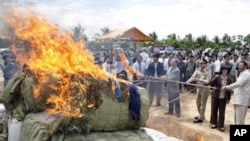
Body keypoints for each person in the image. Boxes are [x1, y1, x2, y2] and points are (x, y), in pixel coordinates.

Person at [207, 65, 233, 132]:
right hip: (215, 96)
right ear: (221, 70)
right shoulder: (217, 77)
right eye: (223, 70)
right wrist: (210, 87)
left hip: (223, 97)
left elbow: (229, 89)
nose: (224, 71)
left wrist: (228, 98)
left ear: (228, 71)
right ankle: (214, 123)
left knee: (222, 112)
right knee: (214, 109)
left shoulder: (229, 79)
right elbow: (210, 83)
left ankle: (221, 125)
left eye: (226, 70)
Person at [186, 58, 211, 123]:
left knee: (203, 104)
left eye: (202, 63)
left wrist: (199, 80)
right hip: (198, 88)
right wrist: (188, 81)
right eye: (200, 63)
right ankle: (201, 115)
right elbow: (193, 77)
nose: (200, 64)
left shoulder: (208, 71)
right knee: (198, 102)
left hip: (205, 89)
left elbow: (207, 81)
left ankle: (201, 118)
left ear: (205, 64)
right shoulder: (197, 70)